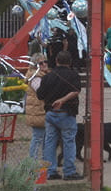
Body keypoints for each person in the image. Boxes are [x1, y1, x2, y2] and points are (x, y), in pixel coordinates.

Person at [37, 51, 82, 180]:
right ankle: (69, 171)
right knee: (68, 142)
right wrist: (63, 100)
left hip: (51, 113)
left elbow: (40, 95)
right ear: (70, 62)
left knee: (50, 142)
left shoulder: (48, 77)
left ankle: (50, 171)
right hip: (67, 113)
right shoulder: (73, 75)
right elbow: (76, 90)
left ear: (56, 60)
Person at [25, 53, 49, 159]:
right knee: (38, 138)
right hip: (38, 111)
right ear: (35, 65)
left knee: (44, 138)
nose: (44, 64)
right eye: (41, 63)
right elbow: (41, 92)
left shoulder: (42, 74)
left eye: (45, 61)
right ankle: (32, 162)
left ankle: (44, 162)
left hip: (40, 110)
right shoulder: (35, 77)